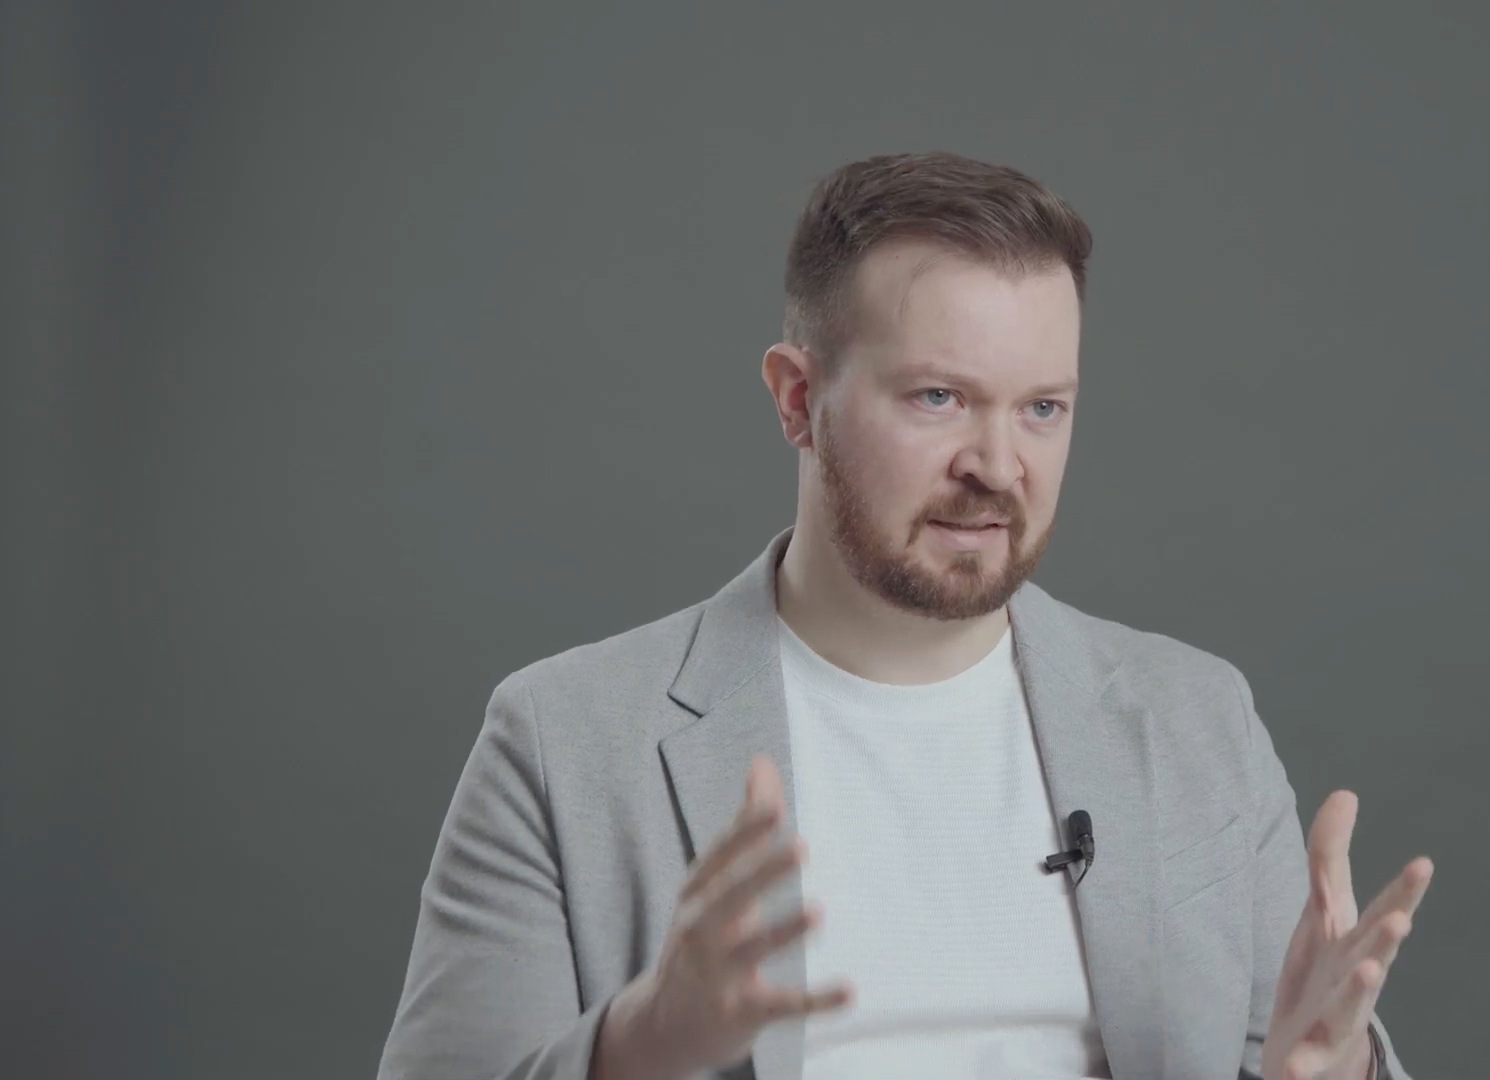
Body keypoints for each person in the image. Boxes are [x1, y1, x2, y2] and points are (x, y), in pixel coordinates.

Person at [376, 151, 1434, 1080]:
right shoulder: (560, 741)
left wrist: (1335, 1071)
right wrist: (644, 1041)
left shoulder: (1196, 718)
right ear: (798, 399)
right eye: (938, 398)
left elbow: (1304, 1059)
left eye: (1043, 408)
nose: (998, 467)